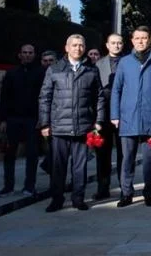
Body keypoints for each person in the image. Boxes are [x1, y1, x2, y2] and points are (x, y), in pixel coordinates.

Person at [40, 35, 106, 212]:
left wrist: (98, 120)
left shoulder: (91, 70)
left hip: (83, 126)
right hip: (59, 127)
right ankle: (56, 199)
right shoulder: (54, 69)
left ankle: (78, 198)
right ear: (67, 47)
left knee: (80, 167)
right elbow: (45, 98)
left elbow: (98, 97)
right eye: (74, 45)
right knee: (57, 167)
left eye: (81, 45)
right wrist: (44, 124)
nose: (78, 48)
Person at [110, 26, 151, 208]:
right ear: (132, 40)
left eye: (144, 38)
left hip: (150, 119)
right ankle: (126, 193)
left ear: (149, 40)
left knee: (150, 161)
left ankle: (148, 193)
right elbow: (117, 89)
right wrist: (115, 114)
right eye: (137, 38)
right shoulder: (125, 62)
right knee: (126, 159)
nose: (141, 41)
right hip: (128, 118)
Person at [0, 44, 42, 198]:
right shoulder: (11, 74)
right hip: (13, 119)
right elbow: (4, 97)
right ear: (19, 55)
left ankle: (30, 186)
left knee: (32, 154)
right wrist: (3, 119)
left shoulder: (40, 73)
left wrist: (42, 119)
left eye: (30, 52)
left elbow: (44, 98)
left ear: (34, 55)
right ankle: (8, 186)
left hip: (32, 119)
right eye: (24, 52)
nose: (27, 55)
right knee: (9, 153)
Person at [93, 33, 124, 200]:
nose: (116, 46)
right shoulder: (98, 65)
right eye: (113, 43)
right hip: (104, 115)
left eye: (119, 43)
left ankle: (124, 186)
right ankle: (103, 187)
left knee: (124, 152)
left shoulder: (129, 62)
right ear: (107, 45)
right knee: (103, 154)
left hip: (124, 114)